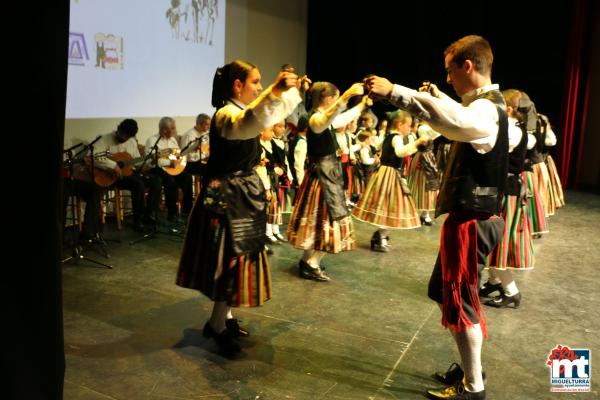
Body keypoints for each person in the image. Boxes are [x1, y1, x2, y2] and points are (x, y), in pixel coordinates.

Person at [367, 35, 507, 400]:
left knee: (458, 300)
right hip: (471, 219)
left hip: (473, 222)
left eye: (450, 71)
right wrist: (439, 97)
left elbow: (459, 122)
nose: (448, 79)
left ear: (468, 66)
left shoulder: (487, 109)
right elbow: (460, 113)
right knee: (445, 293)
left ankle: (473, 385)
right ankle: (470, 367)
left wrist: (395, 91)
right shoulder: (487, 104)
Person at [176, 60, 303, 355]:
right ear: (237, 85)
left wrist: (290, 93)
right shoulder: (225, 115)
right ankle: (216, 326)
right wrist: (275, 90)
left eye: (261, 83)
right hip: (226, 202)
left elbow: (262, 117)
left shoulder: (240, 112)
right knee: (230, 264)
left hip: (241, 197)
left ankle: (225, 317)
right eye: (255, 82)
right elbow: (247, 124)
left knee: (239, 262)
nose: (259, 87)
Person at [287, 81, 368, 282]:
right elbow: (329, 118)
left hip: (325, 176)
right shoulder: (314, 118)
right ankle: (311, 263)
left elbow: (340, 118)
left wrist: (362, 105)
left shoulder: (322, 118)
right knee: (329, 221)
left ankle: (307, 261)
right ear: (330, 98)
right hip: (323, 179)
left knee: (316, 222)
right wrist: (347, 96)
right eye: (336, 97)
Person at [481, 89, 536, 308]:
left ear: (509, 110)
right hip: (504, 190)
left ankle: (511, 291)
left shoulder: (511, 132)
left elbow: (487, 148)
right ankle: (494, 281)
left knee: (497, 243)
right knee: (491, 242)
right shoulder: (513, 129)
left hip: (506, 193)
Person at [352, 109, 423, 252]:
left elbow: (386, 150)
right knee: (392, 206)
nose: (409, 128)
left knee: (390, 207)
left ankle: (380, 236)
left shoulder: (389, 137)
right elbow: (400, 152)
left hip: (388, 172)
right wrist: (417, 144)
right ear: (399, 124)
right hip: (389, 174)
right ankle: (380, 236)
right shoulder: (396, 138)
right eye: (408, 125)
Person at [93, 119, 162, 231]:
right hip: (112, 176)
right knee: (138, 184)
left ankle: (148, 215)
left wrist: (150, 161)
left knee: (156, 180)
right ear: (118, 128)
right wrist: (113, 165)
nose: (124, 138)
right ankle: (137, 220)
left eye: (127, 136)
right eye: (122, 134)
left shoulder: (132, 142)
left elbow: (137, 162)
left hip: (129, 173)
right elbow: (93, 156)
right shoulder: (104, 139)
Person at [144, 117, 194, 223]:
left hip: (172, 169)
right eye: (173, 128)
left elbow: (177, 154)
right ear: (164, 129)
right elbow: (150, 161)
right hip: (157, 169)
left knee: (187, 177)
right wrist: (168, 163)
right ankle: (172, 214)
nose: (175, 130)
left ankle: (187, 211)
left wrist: (180, 160)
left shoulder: (173, 140)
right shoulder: (152, 140)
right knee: (171, 182)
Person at [180, 113, 211, 178]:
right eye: (207, 124)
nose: (209, 127)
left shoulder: (206, 134)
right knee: (209, 169)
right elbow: (186, 156)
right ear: (199, 124)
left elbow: (206, 149)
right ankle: (206, 187)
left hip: (202, 161)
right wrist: (204, 156)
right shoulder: (189, 135)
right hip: (190, 164)